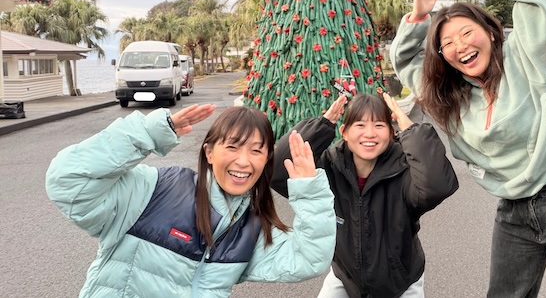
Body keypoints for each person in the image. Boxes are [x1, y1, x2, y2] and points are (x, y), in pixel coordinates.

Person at [390, 0, 546, 298]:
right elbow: (405, 60)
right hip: (514, 211)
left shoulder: (527, 58)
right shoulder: (452, 97)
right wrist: (419, 17)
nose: (460, 46)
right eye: (448, 43)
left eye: (467, 33)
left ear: (491, 32)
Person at [45, 104, 336, 297]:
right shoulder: (154, 190)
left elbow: (307, 260)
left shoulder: (251, 227)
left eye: (256, 151)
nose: (243, 161)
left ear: (266, 159)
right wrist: (146, 134)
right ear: (209, 152)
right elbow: (68, 180)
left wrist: (310, 192)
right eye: (232, 147)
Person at [271, 92, 459, 298]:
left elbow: (436, 186)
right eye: (360, 125)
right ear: (344, 132)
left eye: (379, 125)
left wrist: (411, 130)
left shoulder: (405, 168)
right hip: (345, 278)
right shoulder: (327, 169)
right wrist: (323, 126)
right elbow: (279, 172)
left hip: (401, 283)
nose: (369, 133)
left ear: (391, 132)